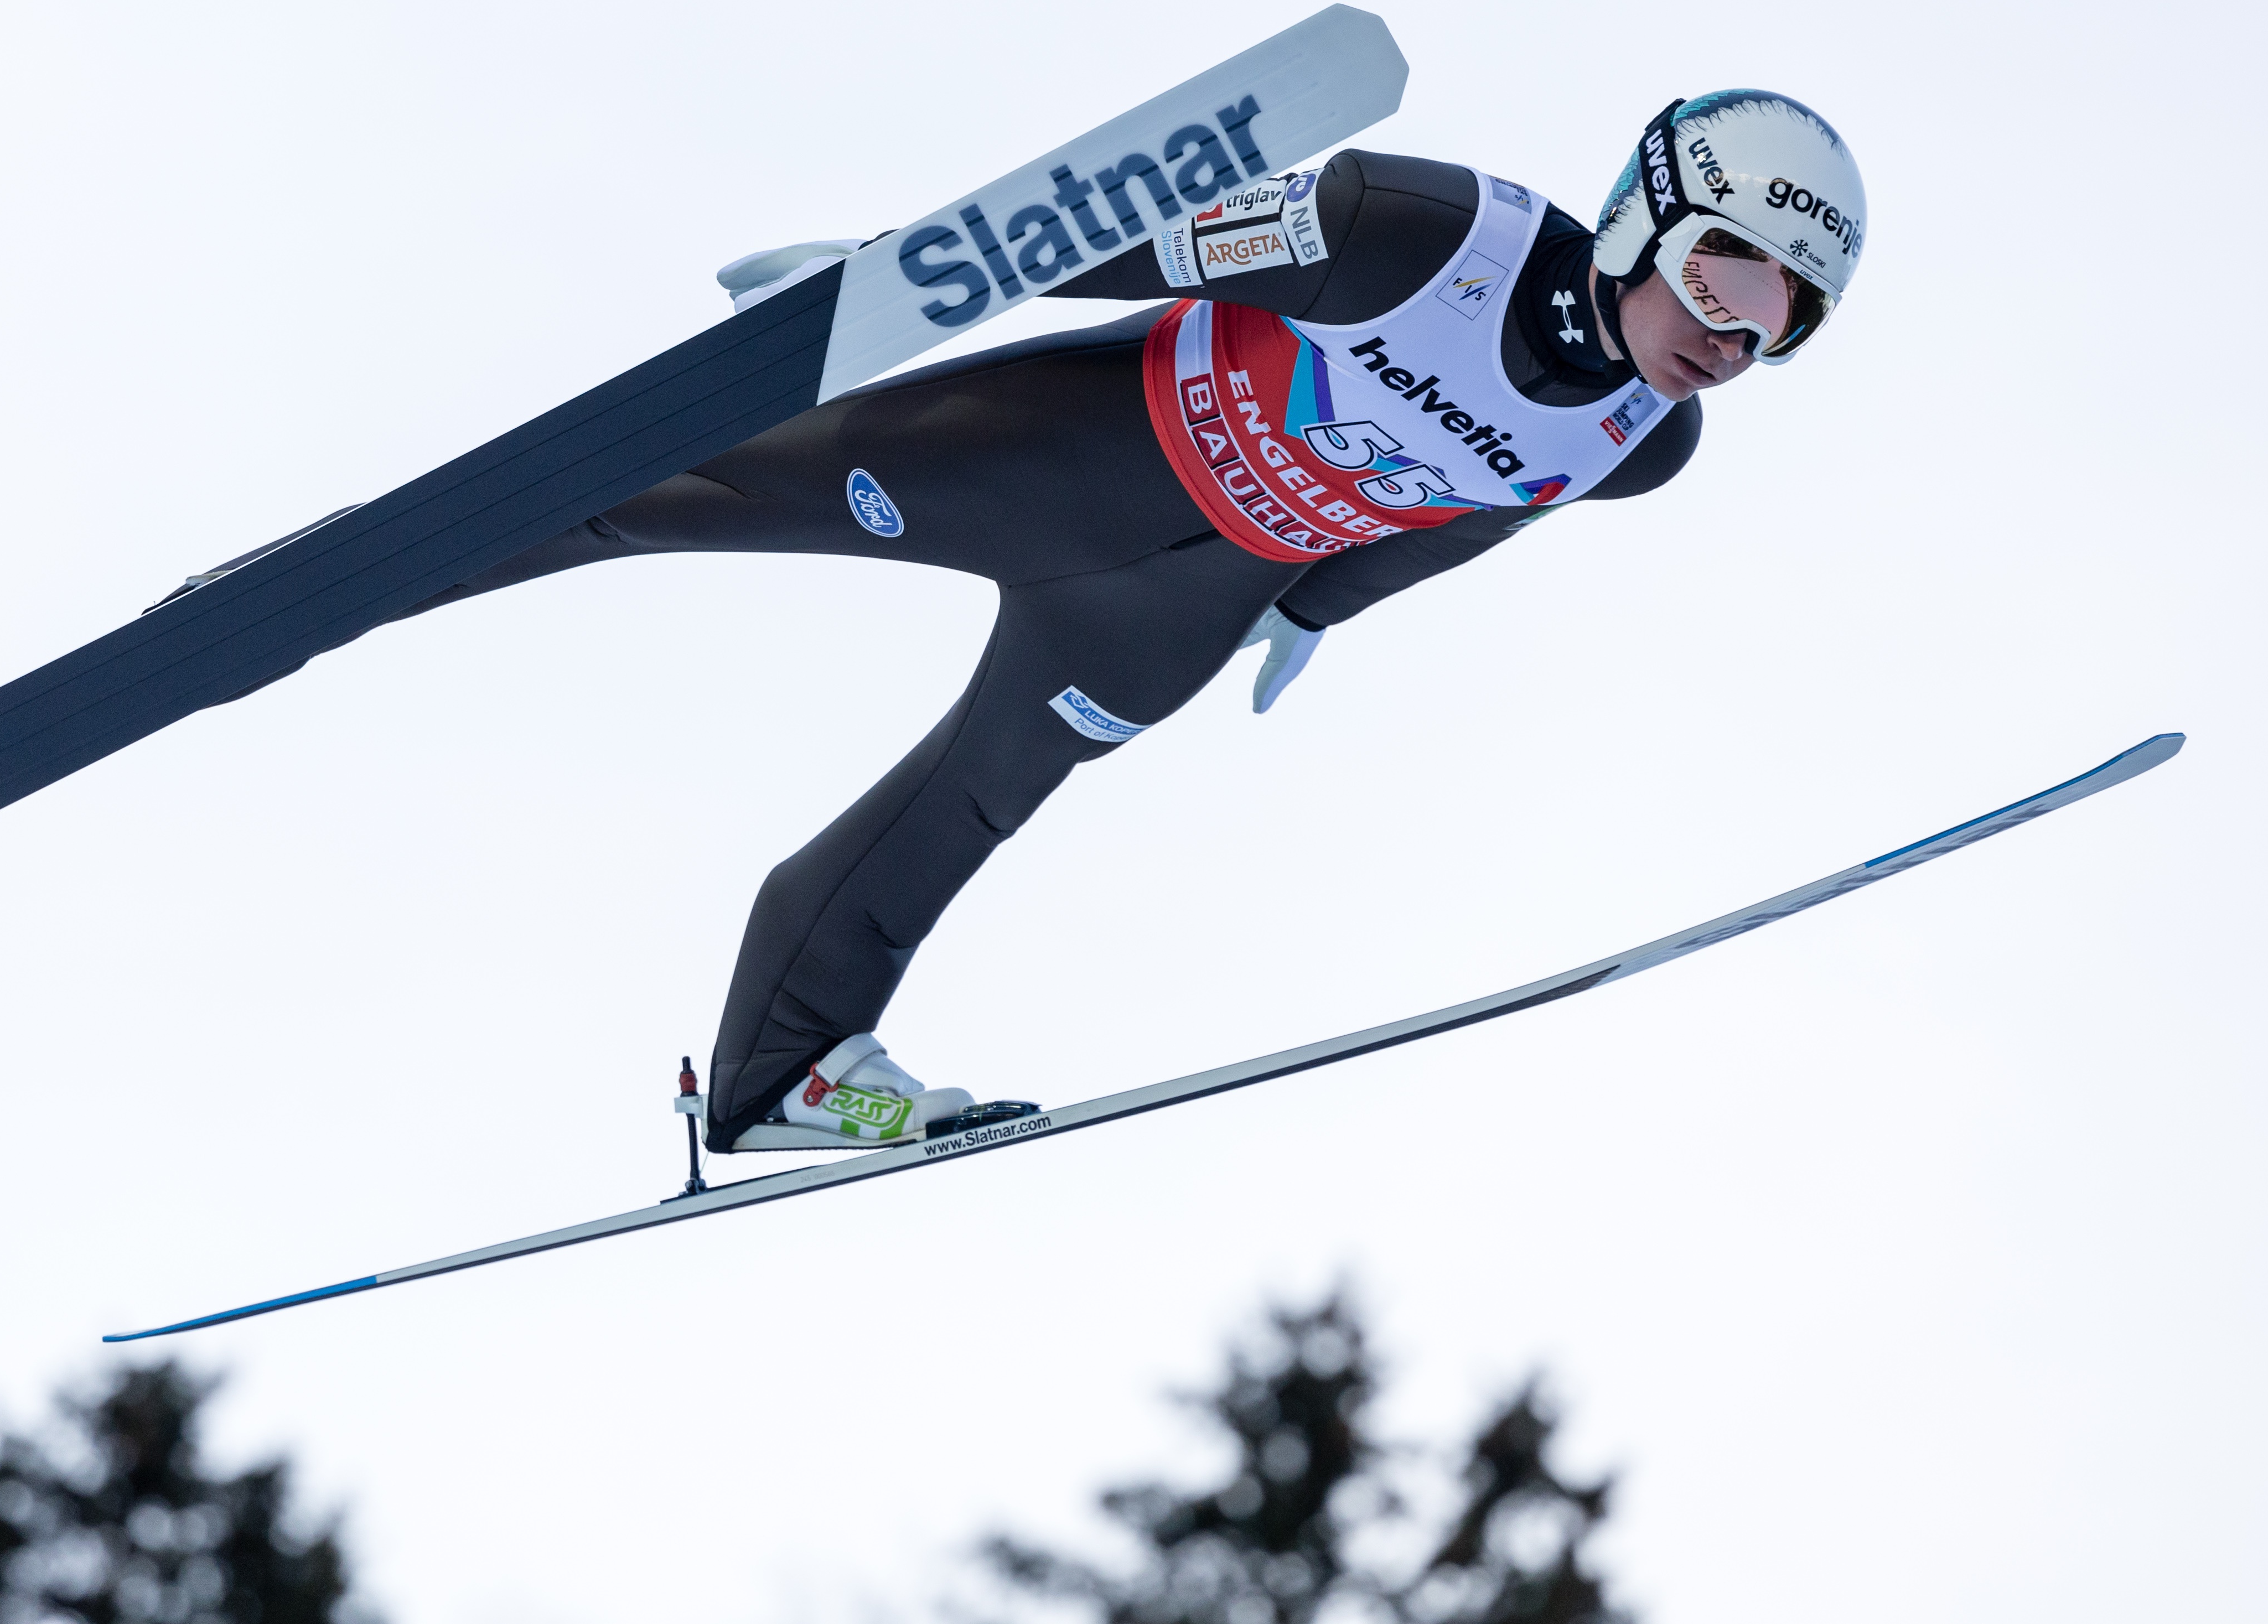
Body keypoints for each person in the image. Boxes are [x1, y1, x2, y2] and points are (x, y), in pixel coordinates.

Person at [397, 91, 1868, 1152]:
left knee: (964, 802)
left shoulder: (1641, 440)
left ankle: (782, 1074)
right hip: (1063, 456)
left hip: (1176, 610)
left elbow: (1472, 512)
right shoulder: (1429, 235)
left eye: (1784, 322)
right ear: (1643, 213)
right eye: (1726, 274)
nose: (1734, 339)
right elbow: (1152, 243)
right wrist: (893, 287)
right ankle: (353, 575)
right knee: (681, 492)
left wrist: (1312, 607)